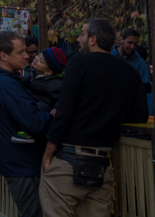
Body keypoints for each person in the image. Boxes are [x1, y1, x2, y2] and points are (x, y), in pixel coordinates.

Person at [41, 18, 148, 217]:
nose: (79, 39)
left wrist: (48, 154)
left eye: (82, 34)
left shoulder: (78, 62)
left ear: (93, 40)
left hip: (68, 161)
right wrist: (110, 112)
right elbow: (141, 114)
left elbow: (64, 111)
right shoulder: (130, 72)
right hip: (103, 165)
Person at [0, 32, 52, 217]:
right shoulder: (6, 85)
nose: (27, 56)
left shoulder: (2, 81)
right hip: (24, 164)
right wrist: (56, 117)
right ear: (4, 55)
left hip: (19, 163)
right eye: (21, 52)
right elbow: (35, 122)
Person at [110, 28, 152, 113]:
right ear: (121, 40)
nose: (132, 47)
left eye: (135, 44)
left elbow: (147, 90)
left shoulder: (140, 64)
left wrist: (150, 113)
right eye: (129, 43)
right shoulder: (109, 56)